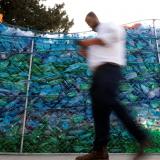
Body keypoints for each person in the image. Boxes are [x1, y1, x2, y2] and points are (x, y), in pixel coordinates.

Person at [76, 11, 150, 160]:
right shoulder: (97, 35)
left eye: (89, 21)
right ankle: (99, 151)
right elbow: (96, 53)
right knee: (99, 111)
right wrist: (85, 51)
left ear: (94, 18)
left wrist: (87, 43)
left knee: (108, 101)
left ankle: (141, 137)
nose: (88, 24)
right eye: (87, 23)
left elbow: (114, 37)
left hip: (109, 70)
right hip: (98, 74)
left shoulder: (109, 25)